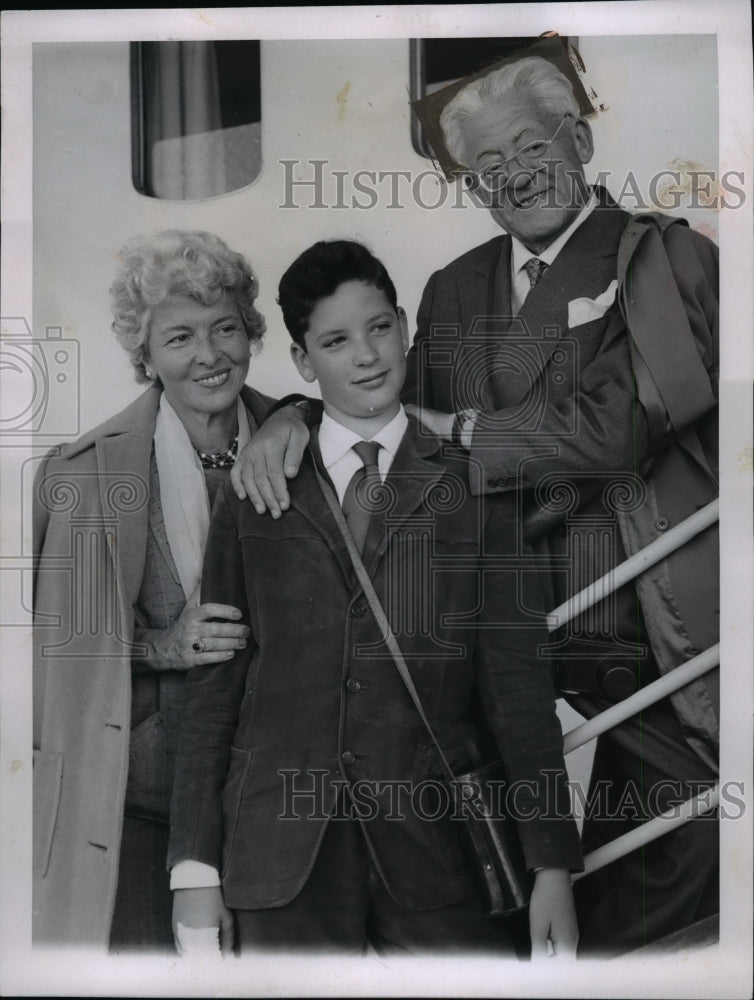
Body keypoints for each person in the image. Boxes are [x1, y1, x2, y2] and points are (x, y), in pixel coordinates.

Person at [228, 55, 720, 957]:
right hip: (494, 625)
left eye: (533, 146)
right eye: (489, 167)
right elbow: (378, 405)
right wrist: (292, 416)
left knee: (691, 842)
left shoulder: (667, 255)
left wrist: (460, 431)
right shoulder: (455, 287)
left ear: (580, 139)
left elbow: (621, 425)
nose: (517, 175)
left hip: (636, 624)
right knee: (490, 877)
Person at [167, 239, 582, 958]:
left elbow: (518, 688)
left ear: (404, 328)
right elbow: (218, 685)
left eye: (379, 328)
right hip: (279, 855)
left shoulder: (477, 487)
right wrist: (194, 868)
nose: (365, 356)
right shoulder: (256, 491)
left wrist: (551, 866)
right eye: (335, 341)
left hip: (440, 855)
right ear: (302, 361)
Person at [32, 230, 274, 951]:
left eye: (225, 328)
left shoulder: (300, 437)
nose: (209, 355)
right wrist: (161, 646)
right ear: (146, 355)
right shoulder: (82, 474)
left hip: (275, 806)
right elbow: (62, 651)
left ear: (251, 331)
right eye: (180, 337)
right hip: (136, 813)